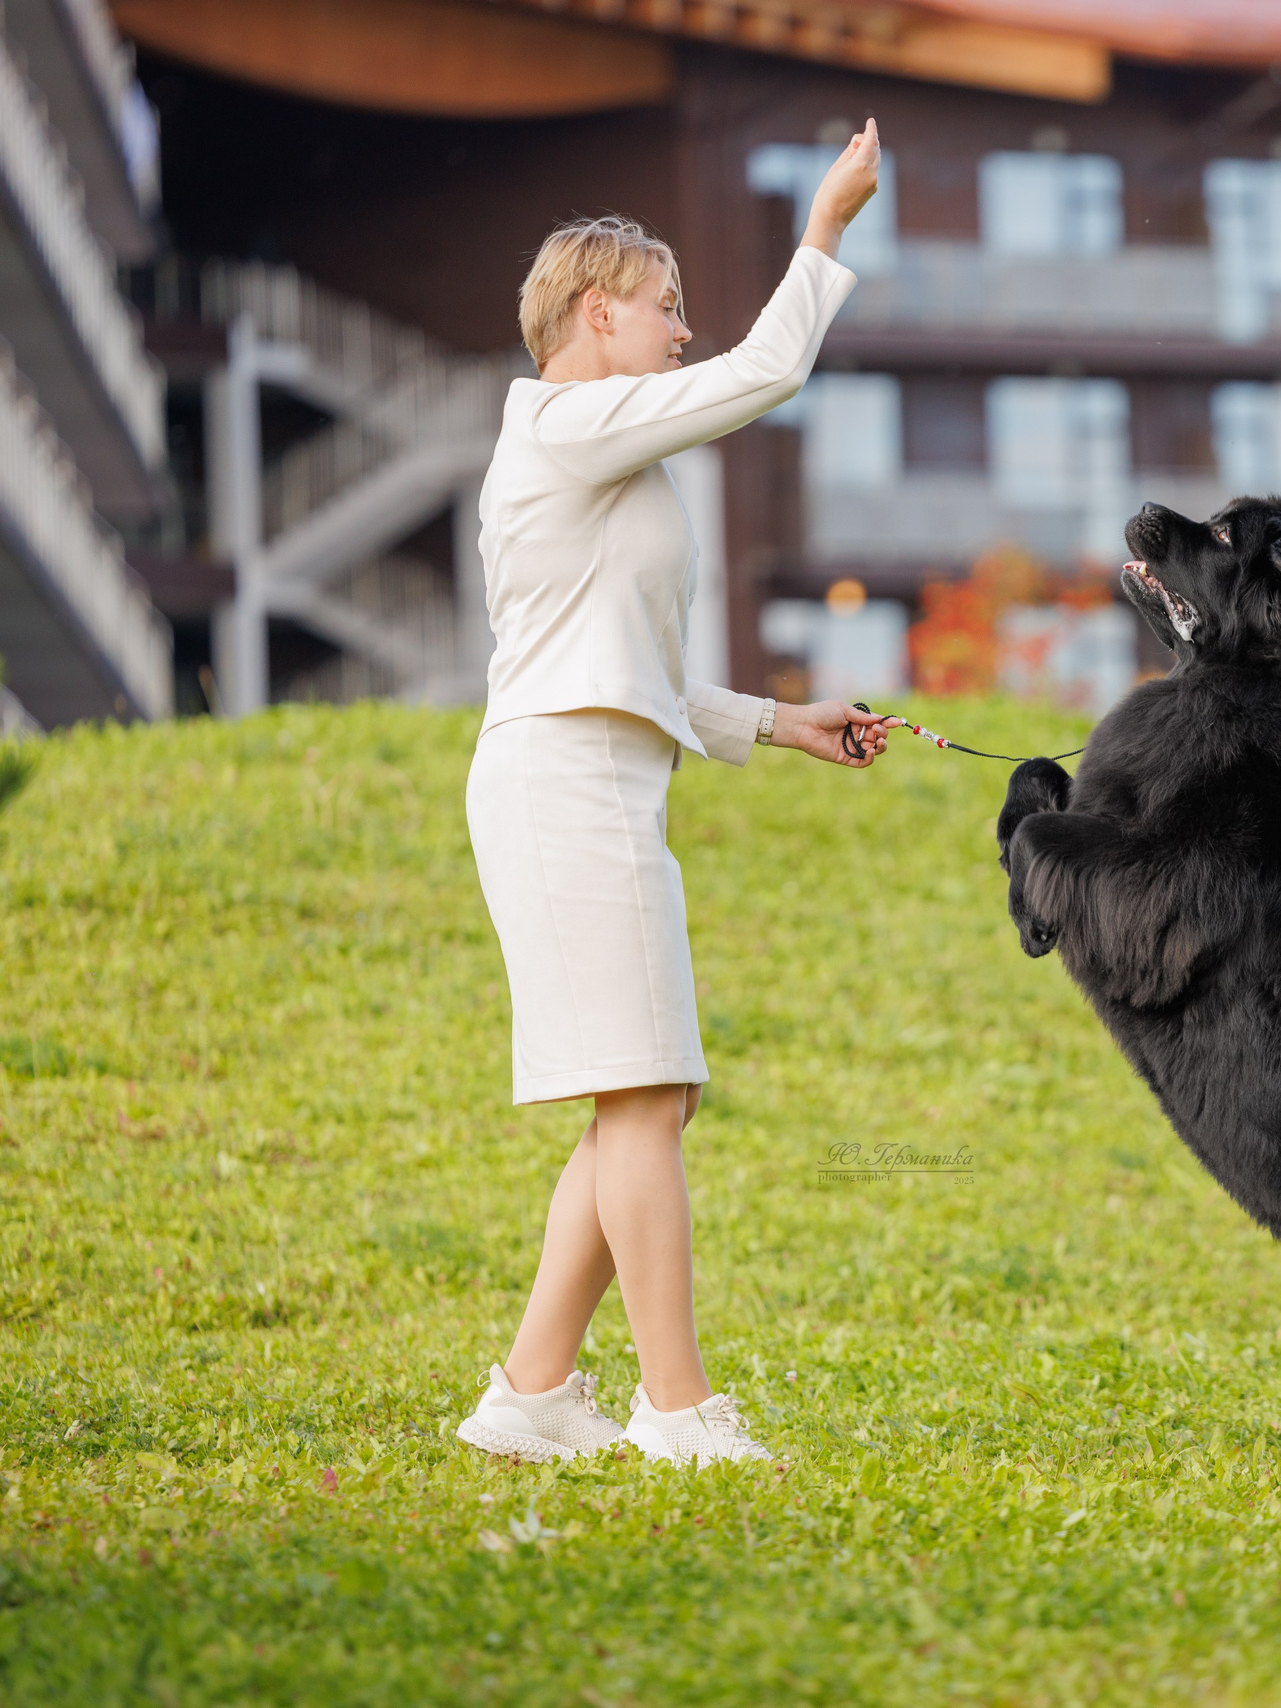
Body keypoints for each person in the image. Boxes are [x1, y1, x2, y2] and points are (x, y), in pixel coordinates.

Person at [455, 121, 893, 1466]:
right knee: (644, 1096)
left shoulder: (604, 457)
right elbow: (772, 368)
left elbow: (635, 667)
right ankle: (678, 1406)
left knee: (646, 1096)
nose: (684, 332)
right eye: (667, 307)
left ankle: (531, 1396)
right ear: (599, 310)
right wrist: (824, 225)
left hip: (597, 777)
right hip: (562, 786)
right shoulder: (569, 422)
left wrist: (785, 724)